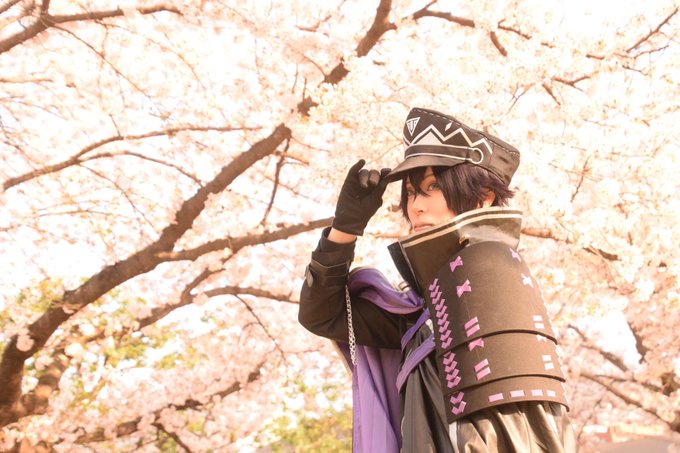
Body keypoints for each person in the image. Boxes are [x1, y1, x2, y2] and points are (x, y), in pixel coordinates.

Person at [298, 107, 576, 452]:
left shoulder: (495, 275)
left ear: (483, 197)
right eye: (412, 192)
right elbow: (322, 314)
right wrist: (344, 229)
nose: (415, 206)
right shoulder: (418, 314)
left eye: (432, 187)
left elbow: (516, 432)